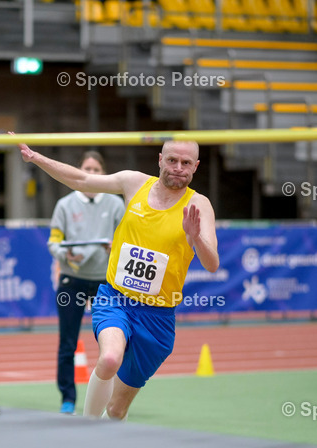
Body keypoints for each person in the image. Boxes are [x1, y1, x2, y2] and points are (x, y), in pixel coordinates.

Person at [18, 138, 219, 420]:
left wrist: (195, 236)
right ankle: (85, 429)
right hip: (116, 299)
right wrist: (37, 158)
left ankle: (106, 444)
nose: (178, 168)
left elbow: (212, 264)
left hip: (158, 316)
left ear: (195, 167)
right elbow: (82, 180)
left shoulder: (199, 205)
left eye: (186, 163)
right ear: (160, 159)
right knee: (110, 358)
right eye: (172, 160)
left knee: (116, 409)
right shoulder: (133, 183)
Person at [48, 151, 125, 414]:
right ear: (79, 172)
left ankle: (117, 397)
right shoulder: (65, 205)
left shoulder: (116, 204)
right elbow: (54, 241)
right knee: (67, 342)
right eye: (86, 169)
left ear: (103, 173)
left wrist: (116, 248)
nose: (91, 174)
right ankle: (67, 398)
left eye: (96, 169)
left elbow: (127, 242)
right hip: (72, 280)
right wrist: (64, 254)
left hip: (106, 282)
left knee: (115, 343)